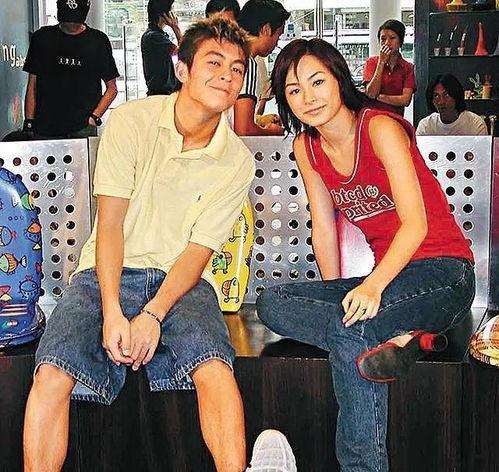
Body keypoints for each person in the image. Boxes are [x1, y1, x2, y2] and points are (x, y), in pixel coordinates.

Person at [23, 17, 257, 472]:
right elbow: (110, 223)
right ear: (182, 68)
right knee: (52, 369)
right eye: (214, 63)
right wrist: (113, 309)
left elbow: (198, 252)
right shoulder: (132, 121)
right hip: (103, 273)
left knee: (215, 366)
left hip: (181, 281)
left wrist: (152, 314)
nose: (227, 76)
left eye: (236, 68)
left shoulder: (236, 161)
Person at [257, 38, 475, 472]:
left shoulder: (379, 128)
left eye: (317, 82)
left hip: (444, 272)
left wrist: (371, 287)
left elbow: (416, 225)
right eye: (294, 89)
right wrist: (337, 292)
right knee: (272, 302)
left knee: (351, 333)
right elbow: (323, 227)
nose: (308, 97)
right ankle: (409, 337)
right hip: (390, 279)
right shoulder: (307, 147)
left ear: (339, 79)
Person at [22, 0, 119, 138]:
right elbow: (32, 84)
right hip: (44, 126)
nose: (72, 25)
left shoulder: (98, 41)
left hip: (82, 127)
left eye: (75, 21)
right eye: (68, 21)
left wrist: (94, 118)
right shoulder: (42, 38)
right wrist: (29, 121)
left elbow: (112, 88)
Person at [233, 0, 290, 135]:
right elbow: (244, 129)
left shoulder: (229, 56)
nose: (276, 44)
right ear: (266, 29)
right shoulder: (247, 63)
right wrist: (272, 132)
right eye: (278, 36)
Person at [363, 19, 415, 117]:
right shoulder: (371, 62)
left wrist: (378, 97)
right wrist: (381, 63)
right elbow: (371, 92)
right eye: (383, 39)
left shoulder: (408, 67)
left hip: (396, 119)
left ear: (400, 41)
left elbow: (405, 100)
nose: (387, 43)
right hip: (373, 118)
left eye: (392, 38)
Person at [416, 74, 488, 136]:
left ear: (456, 95)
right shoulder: (426, 126)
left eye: (446, 95)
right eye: (436, 96)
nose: (441, 102)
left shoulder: (475, 124)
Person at [141, 0, 182, 96]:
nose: (174, 15)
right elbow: (184, 52)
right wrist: (176, 28)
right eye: (172, 10)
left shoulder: (156, 35)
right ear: (164, 14)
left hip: (163, 93)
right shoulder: (154, 37)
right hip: (161, 94)